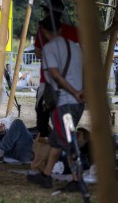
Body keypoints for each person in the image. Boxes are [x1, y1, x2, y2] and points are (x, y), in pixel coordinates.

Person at [27, 16, 85, 192]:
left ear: (44, 32)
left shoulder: (49, 49)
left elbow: (55, 74)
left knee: (68, 141)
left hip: (64, 103)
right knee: (58, 140)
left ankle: (76, 179)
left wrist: (73, 91)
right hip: (75, 102)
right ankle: (46, 175)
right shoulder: (75, 47)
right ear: (60, 30)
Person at [34, 0, 78, 139]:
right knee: (66, 117)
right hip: (67, 83)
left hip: (48, 83)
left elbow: (38, 53)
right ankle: (69, 145)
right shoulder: (71, 31)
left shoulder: (43, 30)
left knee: (43, 117)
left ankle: (45, 143)